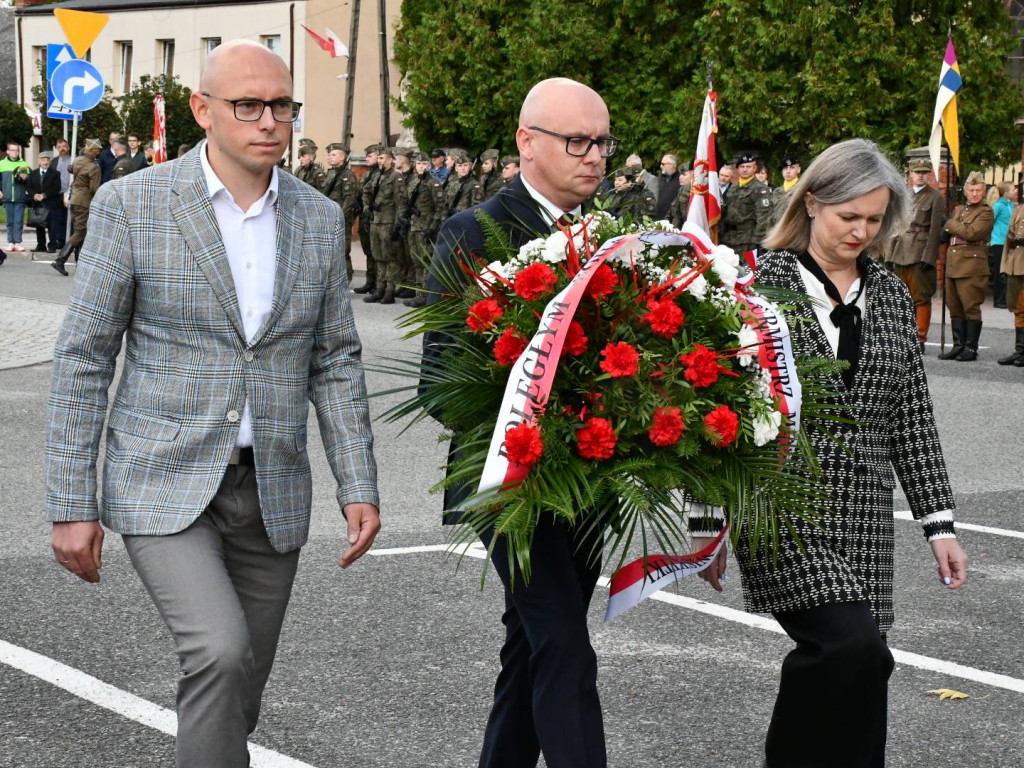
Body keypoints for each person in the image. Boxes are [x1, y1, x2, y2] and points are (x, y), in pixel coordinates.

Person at [45, 40, 379, 768]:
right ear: (202, 110)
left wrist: (358, 484)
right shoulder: (132, 204)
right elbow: (83, 359)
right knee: (219, 653)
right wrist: (73, 501)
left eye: (282, 106)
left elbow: (336, 360)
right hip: (161, 478)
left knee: (238, 688)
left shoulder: (320, 220)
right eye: (248, 105)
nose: (269, 121)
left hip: (273, 490)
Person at [691, 138, 967, 768]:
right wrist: (707, 522)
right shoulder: (751, 286)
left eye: (875, 220)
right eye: (850, 217)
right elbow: (715, 410)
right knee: (846, 646)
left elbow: (911, 417)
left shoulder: (894, 297)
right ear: (812, 202)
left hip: (864, 518)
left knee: (869, 664)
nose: (861, 232)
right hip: (780, 506)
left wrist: (939, 524)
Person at [423, 77, 616, 768]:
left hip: (594, 477)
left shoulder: (614, 235)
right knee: (563, 642)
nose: (595, 157)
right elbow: (440, 380)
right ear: (526, 143)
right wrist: (536, 417)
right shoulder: (474, 231)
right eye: (578, 142)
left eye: (602, 142)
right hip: (507, 481)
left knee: (531, 645)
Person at [880, 158, 943, 351]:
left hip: (919, 252)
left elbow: (934, 230)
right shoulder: (903, 195)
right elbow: (895, 226)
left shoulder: (935, 197)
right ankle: (902, 336)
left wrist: (929, 257)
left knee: (921, 297)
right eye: (917, 172)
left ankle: (920, 338)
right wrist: (889, 256)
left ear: (929, 175)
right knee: (900, 297)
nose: (921, 175)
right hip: (900, 251)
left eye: (924, 172)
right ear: (910, 174)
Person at [940, 171, 994, 362]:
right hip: (954, 265)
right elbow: (954, 231)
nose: (974, 194)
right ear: (965, 191)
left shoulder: (986, 211)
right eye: (971, 190)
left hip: (972, 265)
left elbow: (971, 233)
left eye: (978, 190)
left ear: (983, 191)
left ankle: (970, 347)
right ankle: (958, 345)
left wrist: (949, 224)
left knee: (970, 306)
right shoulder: (959, 209)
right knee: (954, 307)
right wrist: (945, 232)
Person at [52, 138, 102, 275]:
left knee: (80, 231)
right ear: (96, 152)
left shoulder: (78, 160)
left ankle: (80, 263)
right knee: (80, 232)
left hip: (74, 198)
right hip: (84, 201)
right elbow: (94, 188)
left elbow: (71, 170)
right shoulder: (94, 167)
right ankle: (60, 260)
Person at [364, 146, 406, 304]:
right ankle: (379, 288)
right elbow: (366, 191)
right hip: (376, 220)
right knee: (378, 256)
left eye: (382, 158)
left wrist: (398, 222)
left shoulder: (396, 177)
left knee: (390, 258)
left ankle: (390, 290)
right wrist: (367, 208)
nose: (380, 161)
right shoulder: (377, 176)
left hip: (389, 221)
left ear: (390, 159)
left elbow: (401, 201)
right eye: (379, 158)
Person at [403, 151, 446, 307]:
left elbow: (441, 207)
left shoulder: (432, 183)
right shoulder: (413, 182)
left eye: (424, 164)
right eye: (419, 164)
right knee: (416, 261)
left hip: (426, 227)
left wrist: (433, 227)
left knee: (426, 261)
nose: (421, 167)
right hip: (414, 226)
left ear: (429, 166)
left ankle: (426, 296)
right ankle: (419, 293)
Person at [320, 142, 359, 282]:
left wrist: (340, 217)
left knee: (342, 251)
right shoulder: (331, 173)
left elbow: (349, 200)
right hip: (329, 218)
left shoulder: (347, 175)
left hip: (341, 218)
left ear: (343, 158)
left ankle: (345, 281)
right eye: (329, 155)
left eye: (333, 155)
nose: (329, 157)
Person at [719, 152, 773, 254]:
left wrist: (757, 243)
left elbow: (764, 219)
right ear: (737, 169)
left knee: (745, 270)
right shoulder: (734, 187)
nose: (745, 169)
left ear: (755, 168)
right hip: (729, 239)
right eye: (742, 166)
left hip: (747, 241)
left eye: (748, 166)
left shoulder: (760, 189)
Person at [998, 192, 1024, 365]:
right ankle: (1020, 350)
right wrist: (1004, 266)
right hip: (1016, 264)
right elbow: (1009, 238)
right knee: (1018, 309)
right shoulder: (1018, 210)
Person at [354, 144, 382, 294]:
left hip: (374, 217)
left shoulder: (380, 174)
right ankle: (370, 281)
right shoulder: (367, 174)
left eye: (370, 156)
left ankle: (378, 282)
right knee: (368, 251)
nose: (367, 159)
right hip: (364, 216)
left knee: (375, 251)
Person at [26, 151, 62, 254]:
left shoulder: (55, 173)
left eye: (47, 160)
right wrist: (34, 195)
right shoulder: (33, 173)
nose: (45, 162)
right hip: (37, 203)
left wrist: (44, 195)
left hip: (51, 203)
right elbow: (29, 187)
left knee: (52, 226)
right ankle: (41, 245)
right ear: (38, 161)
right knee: (39, 224)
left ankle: (52, 246)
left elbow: (57, 188)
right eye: (43, 160)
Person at [987, 181, 1015, 309]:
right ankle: (998, 300)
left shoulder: (1011, 205)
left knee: (1007, 271)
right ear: (1006, 192)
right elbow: (989, 222)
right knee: (1000, 272)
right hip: (998, 242)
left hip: (1009, 242)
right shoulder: (998, 206)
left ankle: (1005, 299)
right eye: (1013, 189)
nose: (1015, 191)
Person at [0, 141, 31, 252]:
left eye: (16, 150)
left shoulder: (24, 164)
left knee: (18, 221)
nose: (15, 152)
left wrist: (25, 178)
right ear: (8, 151)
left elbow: (29, 180)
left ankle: (17, 242)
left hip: (20, 197)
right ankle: (10, 242)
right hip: (7, 197)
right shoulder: (2, 164)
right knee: (9, 221)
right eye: (12, 150)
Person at [52, 138, 73, 252]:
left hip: (71, 193)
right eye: (59, 147)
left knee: (72, 219)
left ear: (68, 147)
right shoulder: (54, 161)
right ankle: (60, 241)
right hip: (58, 194)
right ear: (56, 148)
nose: (62, 149)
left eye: (64, 146)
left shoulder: (73, 159)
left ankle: (71, 241)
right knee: (59, 218)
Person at [655, 153, 680, 219]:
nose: (661, 166)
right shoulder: (660, 179)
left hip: (673, 218)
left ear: (672, 165)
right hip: (658, 218)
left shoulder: (680, 180)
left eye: (663, 164)